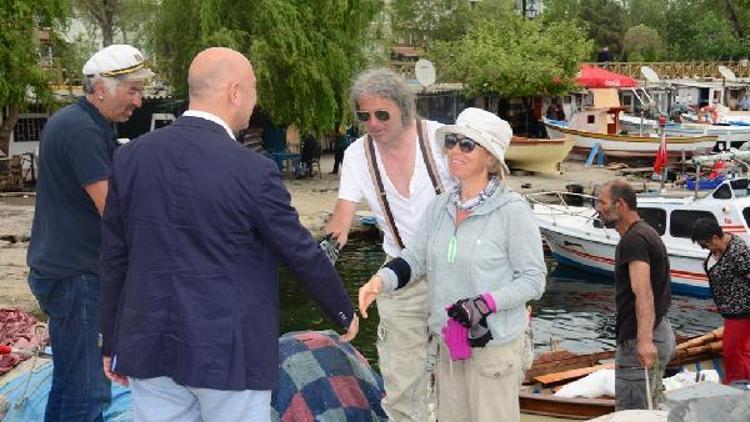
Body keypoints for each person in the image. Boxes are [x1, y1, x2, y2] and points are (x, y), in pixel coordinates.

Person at [99, 47, 358, 421]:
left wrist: (111, 340)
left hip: (149, 344)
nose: (254, 103)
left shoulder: (130, 157)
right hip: (228, 353)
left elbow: (114, 257)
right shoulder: (252, 170)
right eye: (252, 92)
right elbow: (297, 249)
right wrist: (341, 309)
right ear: (235, 92)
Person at [358, 108, 546, 422]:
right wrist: (380, 281)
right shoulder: (440, 206)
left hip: (494, 350)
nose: (455, 150)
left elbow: (533, 280)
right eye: (452, 142)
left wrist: (485, 303)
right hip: (450, 344)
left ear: (490, 159)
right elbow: (415, 258)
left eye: (467, 145)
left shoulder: (512, 211)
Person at [26, 44, 153, 421]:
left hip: (62, 272)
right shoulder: (82, 130)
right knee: (89, 390)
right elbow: (112, 211)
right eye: (132, 90)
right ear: (101, 88)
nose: (139, 101)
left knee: (69, 384)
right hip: (77, 278)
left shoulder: (76, 122)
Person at [324, 68, 452, 421]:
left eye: (382, 114)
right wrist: (322, 267)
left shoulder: (442, 139)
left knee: (458, 378)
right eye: (364, 115)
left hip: (455, 272)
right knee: (401, 384)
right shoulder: (356, 156)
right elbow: (340, 222)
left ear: (404, 108)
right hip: (399, 274)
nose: (373, 123)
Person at [595, 179, 675, 410]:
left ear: (620, 205)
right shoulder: (645, 234)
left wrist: (644, 340)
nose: (598, 209)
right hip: (659, 330)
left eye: (602, 203)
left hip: (642, 338)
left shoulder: (634, 240)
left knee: (633, 412)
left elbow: (644, 293)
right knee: (648, 408)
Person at [691, 218, 750, 385]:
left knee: (733, 350)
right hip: (730, 310)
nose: (704, 248)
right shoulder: (718, 249)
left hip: (742, 310)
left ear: (715, 238)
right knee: (737, 350)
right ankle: (739, 382)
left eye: (704, 245)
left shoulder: (738, 251)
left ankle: (737, 385)